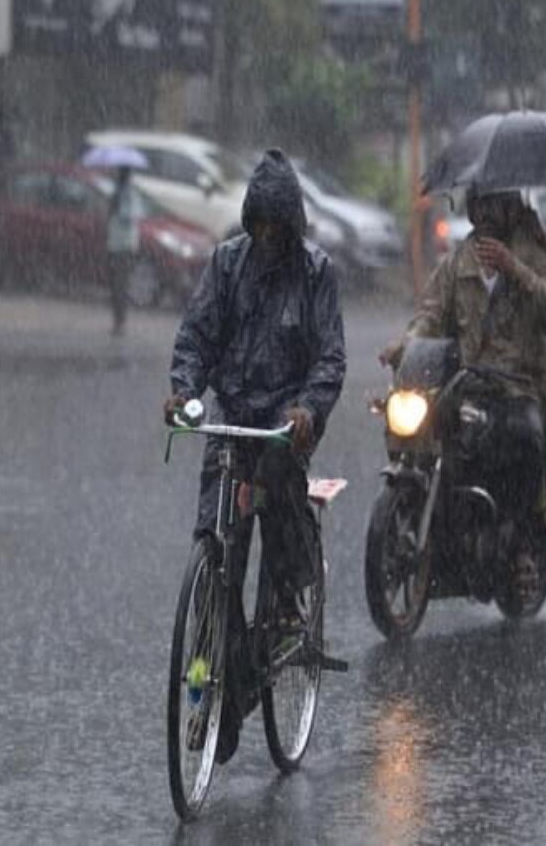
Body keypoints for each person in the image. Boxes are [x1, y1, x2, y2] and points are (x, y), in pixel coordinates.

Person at [163, 148, 346, 764]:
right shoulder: (225, 266)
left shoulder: (317, 273)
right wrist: (184, 389)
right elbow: (197, 336)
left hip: (281, 431)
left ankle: (294, 596)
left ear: (290, 224)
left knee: (276, 505)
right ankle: (223, 691)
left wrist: (307, 411)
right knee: (219, 555)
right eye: (258, 224)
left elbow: (329, 360)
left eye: (277, 225)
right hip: (231, 423)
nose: (266, 236)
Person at [380, 187, 546, 547]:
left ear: (511, 208)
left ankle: (522, 538)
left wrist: (515, 270)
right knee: (418, 431)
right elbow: (430, 315)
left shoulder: (535, 255)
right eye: (479, 203)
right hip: (466, 383)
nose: (484, 213)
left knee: (525, 437)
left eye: (493, 204)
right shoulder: (458, 261)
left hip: (518, 386)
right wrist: (404, 345)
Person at [106, 165, 143, 336]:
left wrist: (116, 207)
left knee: (120, 283)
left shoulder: (129, 194)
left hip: (124, 244)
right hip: (115, 243)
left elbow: (130, 215)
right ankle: (118, 320)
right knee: (116, 284)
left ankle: (120, 322)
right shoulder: (118, 192)